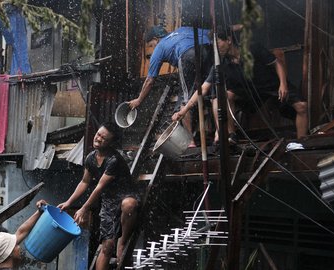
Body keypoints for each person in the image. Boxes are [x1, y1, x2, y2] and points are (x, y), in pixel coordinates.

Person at [172, 26, 308, 145]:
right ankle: (232, 135)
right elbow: (204, 88)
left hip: (271, 85)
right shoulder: (220, 64)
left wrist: (283, 84)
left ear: (229, 40)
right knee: (224, 95)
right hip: (249, 93)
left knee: (302, 107)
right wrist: (183, 111)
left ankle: (302, 144)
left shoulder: (252, 48)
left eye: (217, 43)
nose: (215, 48)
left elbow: (276, 63)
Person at [58, 122, 139, 270]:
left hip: (125, 194)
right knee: (107, 247)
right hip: (109, 200)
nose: (98, 138)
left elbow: (99, 187)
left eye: (104, 138)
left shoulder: (113, 160)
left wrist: (84, 208)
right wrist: (69, 202)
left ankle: (122, 240)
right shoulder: (90, 158)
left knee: (129, 205)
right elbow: (84, 182)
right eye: (98, 135)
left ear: (110, 143)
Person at [128, 25, 214, 147]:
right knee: (212, 91)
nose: (153, 49)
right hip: (207, 51)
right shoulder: (182, 30)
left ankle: (190, 142)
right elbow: (212, 32)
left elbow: (149, 80)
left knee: (184, 99)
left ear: (156, 39)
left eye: (151, 45)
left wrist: (139, 99)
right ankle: (217, 134)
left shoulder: (160, 47)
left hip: (187, 56)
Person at [0, 199, 47, 270]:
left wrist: (39, 211)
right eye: (15, 244)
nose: (19, 247)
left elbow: (21, 232)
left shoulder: (1, 255)